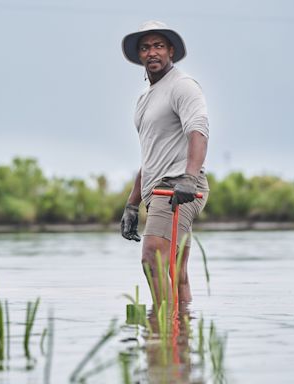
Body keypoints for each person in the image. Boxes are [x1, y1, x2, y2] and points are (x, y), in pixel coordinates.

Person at [120, 21, 210, 303]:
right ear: (139, 56)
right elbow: (150, 157)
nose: (152, 52)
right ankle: (181, 337)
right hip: (157, 190)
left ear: (171, 50)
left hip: (176, 188)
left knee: (152, 260)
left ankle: (160, 335)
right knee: (175, 270)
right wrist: (132, 204)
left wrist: (189, 177)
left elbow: (199, 129)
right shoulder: (145, 99)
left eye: (158, 45)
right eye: (145, 48)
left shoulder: (182, 86)